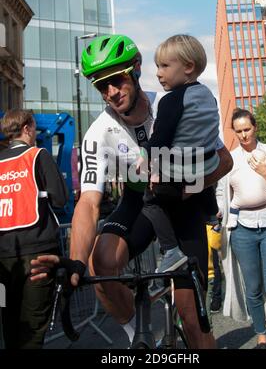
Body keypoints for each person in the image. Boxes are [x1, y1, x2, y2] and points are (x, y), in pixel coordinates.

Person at [31, 34, 233, 349]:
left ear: (136, 69)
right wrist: (75, 262)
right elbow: (88, 203)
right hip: (139, 203)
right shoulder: (98, 133)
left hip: (183, 207)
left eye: (117, 80)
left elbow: (224, 160)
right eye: (101, 86)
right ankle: (140, 339)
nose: (111, 92)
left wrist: (193, 188)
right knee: (101, 261)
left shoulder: (169, 103)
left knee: (193, 319)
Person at [136, 34, 221, 273]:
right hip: (206, 166)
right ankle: (212, 213)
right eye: (157, 66)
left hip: (180, 171)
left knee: (149, 200)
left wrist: (143, 160)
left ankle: (171, 249)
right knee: (197, 166)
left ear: (188, 67)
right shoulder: (207, 96)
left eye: (164, 66)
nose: (158, 73)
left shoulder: (171, 100)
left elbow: (160, 137)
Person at [216, 108, 266, 349]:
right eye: (238, 131)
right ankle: (262, 335)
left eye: (247, 129)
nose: (243, 135)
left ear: (256, 127)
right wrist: (219, 211)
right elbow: (223, 192)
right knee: (252, 287)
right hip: (241, 228)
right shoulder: (229, 159)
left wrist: (265, 172)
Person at [0, 109, 68, 349]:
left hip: (3, 260)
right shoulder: (38, 155)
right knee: (33, 325)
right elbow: (60, 199)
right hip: (38, 255)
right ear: (27, 128)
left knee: (8, 320)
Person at [226, 148, 266, 228]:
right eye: (239, 133)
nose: (243, 135)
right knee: (234, 205)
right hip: (242, 223)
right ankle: (232, 220)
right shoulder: (231, 157)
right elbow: (222, 190)